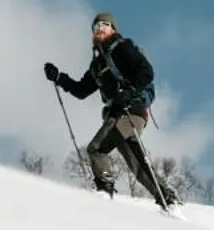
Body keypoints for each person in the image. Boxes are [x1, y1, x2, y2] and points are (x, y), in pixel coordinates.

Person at [46, 12, 167, 203]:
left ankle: (104, 190)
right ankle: (167, 198)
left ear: (113, 29)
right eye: (96, 27)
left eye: (105, 25)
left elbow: (147, 72)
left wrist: (129, 92)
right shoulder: (97, 65)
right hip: (116, 115)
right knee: (136, 163)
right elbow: (81, 90)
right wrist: (59, 77)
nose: (100, 29)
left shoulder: (123, 48)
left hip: (131, 111)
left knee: (96, 149)